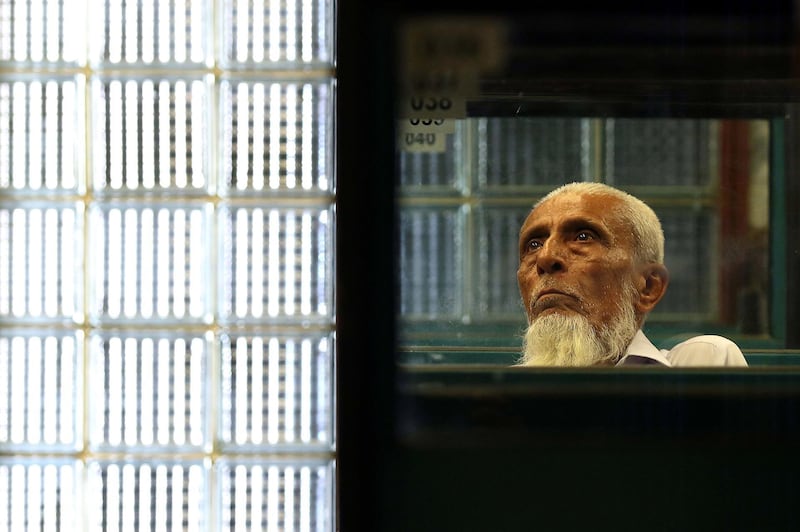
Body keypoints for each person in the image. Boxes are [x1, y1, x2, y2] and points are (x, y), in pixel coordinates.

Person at [516, 181, 748, 367]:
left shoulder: (703, 364)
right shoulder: (497, 397)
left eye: (583, 237)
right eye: (534, 244)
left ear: (648, 286)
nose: (545, 258)